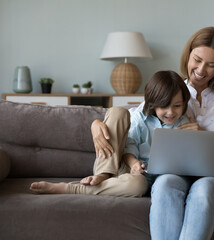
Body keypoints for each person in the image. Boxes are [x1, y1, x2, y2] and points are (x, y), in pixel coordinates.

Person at [91, 27, 214, 240]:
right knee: (164, 184)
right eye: (197, 60)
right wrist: (97, 123)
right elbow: (135, 116)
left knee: (203, 190)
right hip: (177, 171)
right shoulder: (172, 88)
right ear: (188, 55)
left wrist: (205, 138)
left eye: (211, 65)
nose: (201, 70)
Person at [29, 70, 190, 197]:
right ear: (154, 104)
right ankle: (103, 174)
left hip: (145, 180)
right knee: (118, 112)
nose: (170, 112)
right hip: (125, 168)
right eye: (164, 106)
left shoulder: (184, 124)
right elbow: (129, 146)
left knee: (138, 186)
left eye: (177, 106)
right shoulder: (140, 119)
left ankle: (69, 188)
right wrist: (134, 164)